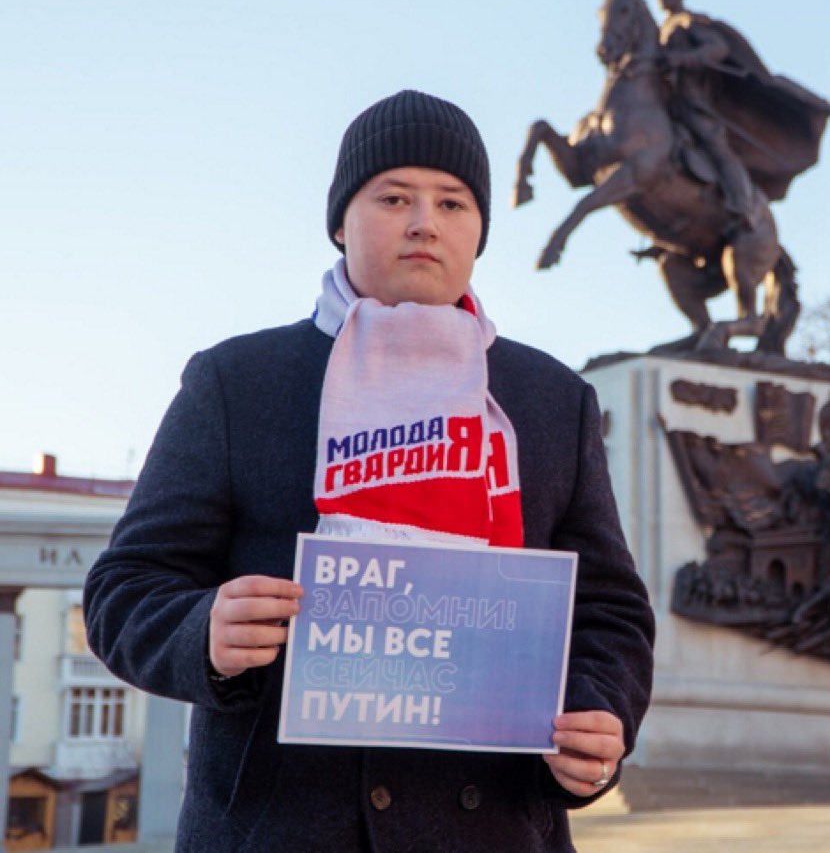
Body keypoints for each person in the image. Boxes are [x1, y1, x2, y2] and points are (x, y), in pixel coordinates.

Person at [82, 90, 656, 852]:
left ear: (478, 231)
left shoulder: (551, 400)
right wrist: (203, 633)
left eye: (453, 203)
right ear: (340, 222)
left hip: (499, 829)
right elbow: (125, 590)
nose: (426, 221)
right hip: (279, 829)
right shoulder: (237, 381)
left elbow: (610, 611)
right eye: (393, 197)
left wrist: (595, 717)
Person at [654, 0, 760, 229]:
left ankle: (743, 206)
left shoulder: (688, 21)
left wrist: (683, 58)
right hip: (666, 101)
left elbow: (717, 48)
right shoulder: (658, 31)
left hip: (693, 100)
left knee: (716, 147)